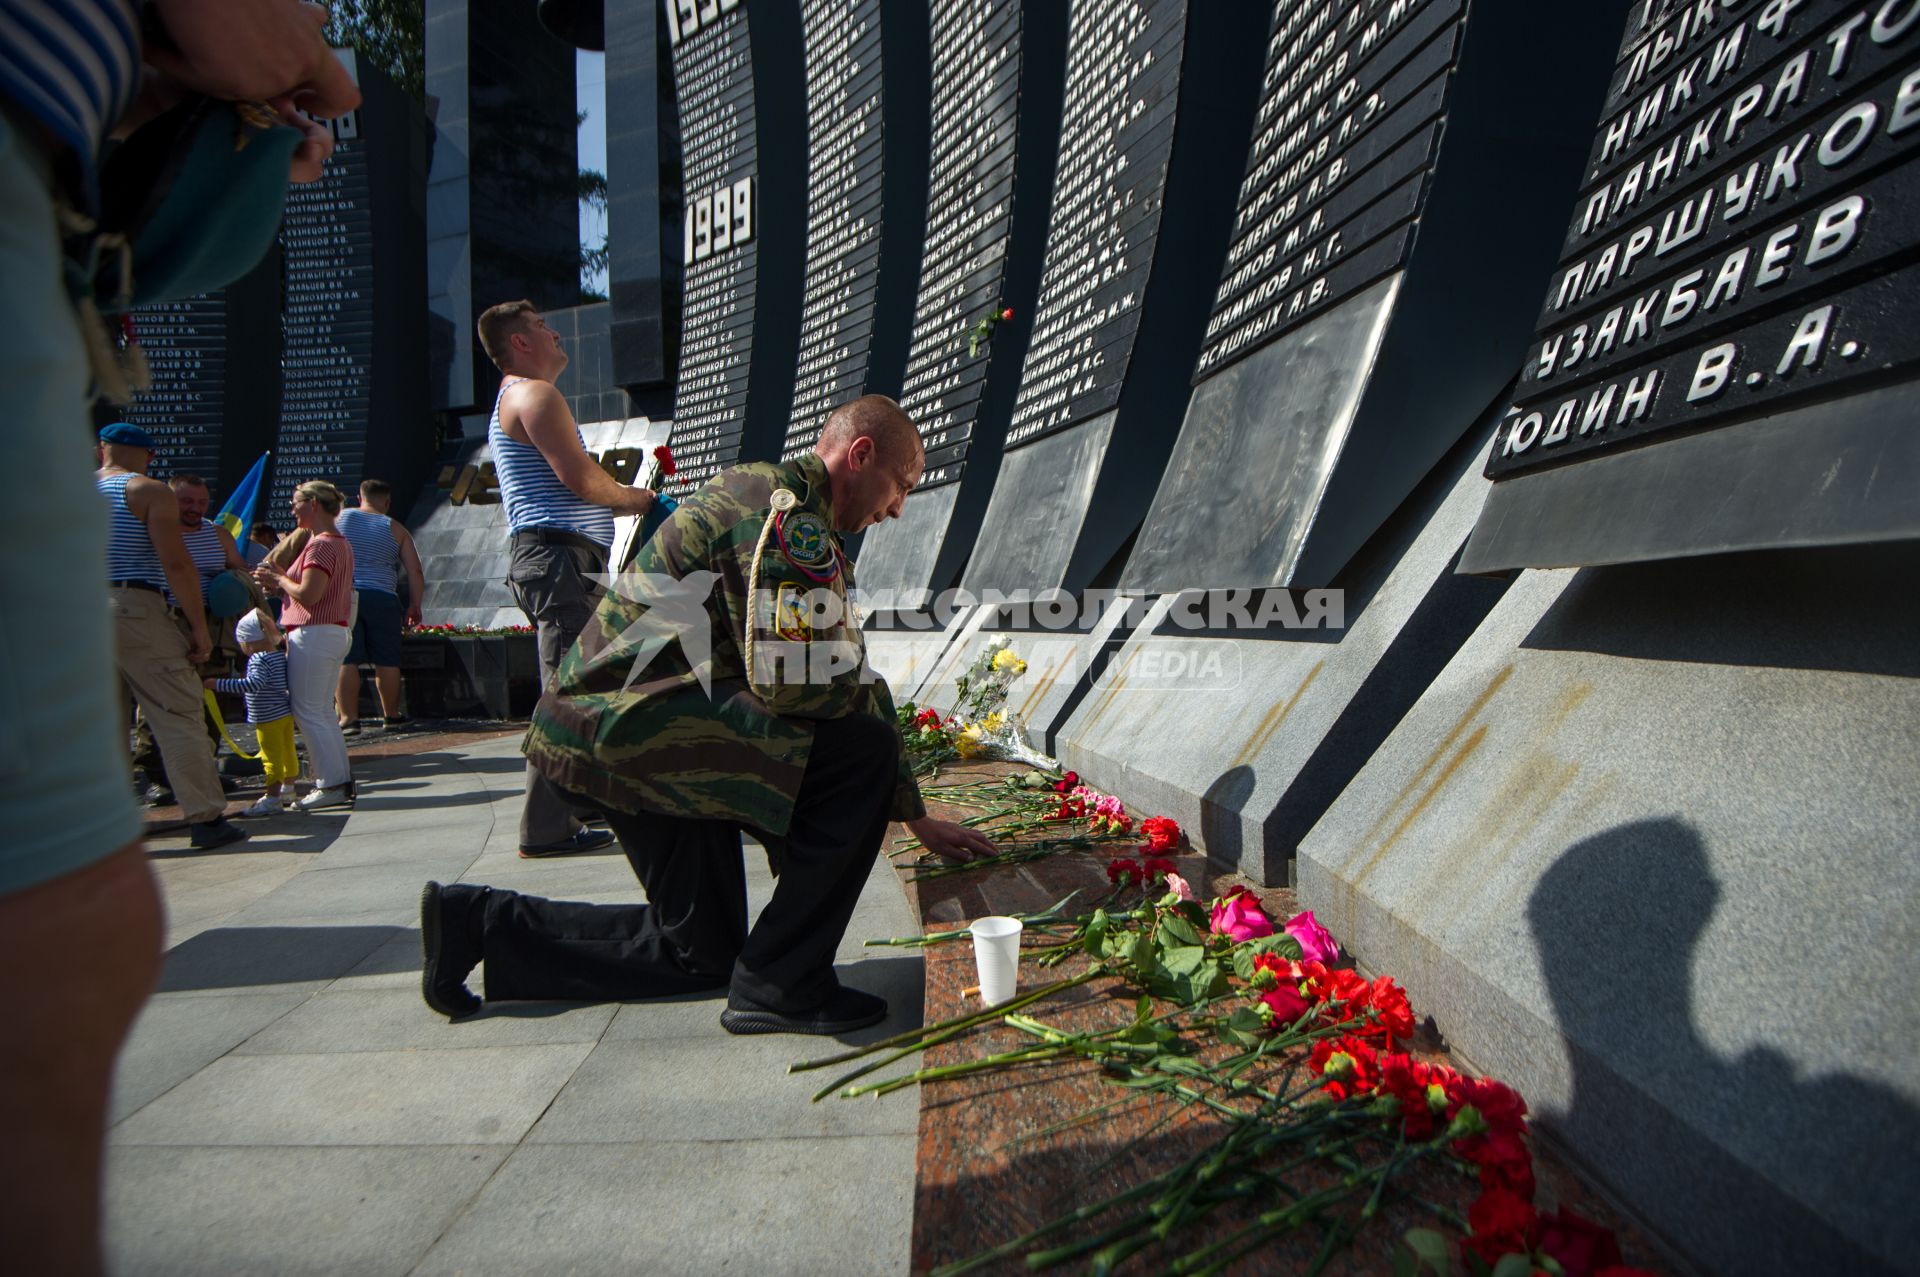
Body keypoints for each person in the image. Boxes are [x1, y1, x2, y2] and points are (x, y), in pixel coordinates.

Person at [0, 3, 357, 1269]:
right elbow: (266, 46)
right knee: (62, 920)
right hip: (142, 611)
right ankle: (203, 807)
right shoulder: (145, 496)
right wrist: (300, 69)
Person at [421, 395, 998, 1035]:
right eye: (901, 485)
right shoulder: (784, 518)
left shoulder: (783, 504)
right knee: (860, 749)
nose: (897, 508)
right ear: (860, 455)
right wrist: (884, 777)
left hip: (629, 732)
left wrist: (912, 816)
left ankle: (475, 924)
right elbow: (795, 682)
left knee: (701, 950)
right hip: (635, 731)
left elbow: (835, 668)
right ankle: (785, 984)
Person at [476, 299, 655, 858]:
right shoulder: (534, 394)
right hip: (557, 562)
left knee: (583, 684)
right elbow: (581, 481)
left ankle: (574, 803)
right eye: (542, 328)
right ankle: (544, 828)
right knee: (567, 692)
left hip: (560, 560)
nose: (556, 334)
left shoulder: (523, 396)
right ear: (520, 344)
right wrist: (640, 499)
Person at [96, 425, 247, 850]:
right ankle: (206, 819)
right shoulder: (147, 490)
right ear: (147, 456)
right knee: (179, 715)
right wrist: (199, 629)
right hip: (133, 606)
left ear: (100, 451)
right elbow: (176, 564)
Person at [255, 481, 356, 810]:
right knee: (321, 712)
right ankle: (336, 782)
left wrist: (279, 580)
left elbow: (310, 595)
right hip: (327, 632)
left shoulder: (320, 545)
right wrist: (285, 582)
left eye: (296, 502)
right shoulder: (332, 542)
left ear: (313, 504)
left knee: (310, 712)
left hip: (313, 633)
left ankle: (330, 785)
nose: (291, 508)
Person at [335, 478, 426, 734]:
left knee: (347, 659)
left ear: (358, 497)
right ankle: (392, 715)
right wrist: (414, 605)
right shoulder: (396, 528)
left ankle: (349, 719)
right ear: (386, 502)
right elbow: (415, 571)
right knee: (387, 659)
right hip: (384, 597)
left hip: (346, 595)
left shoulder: (339, 519)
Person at [206, 608, 297, 816]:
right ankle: (288, 790)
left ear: (248, 642)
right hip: (284, 712)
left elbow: (253, 684)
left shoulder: (258, 659)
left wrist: (217, 684)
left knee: (271, 757)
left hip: (267, 716)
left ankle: (272, 798)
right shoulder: (277, 655)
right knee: (287, 751)